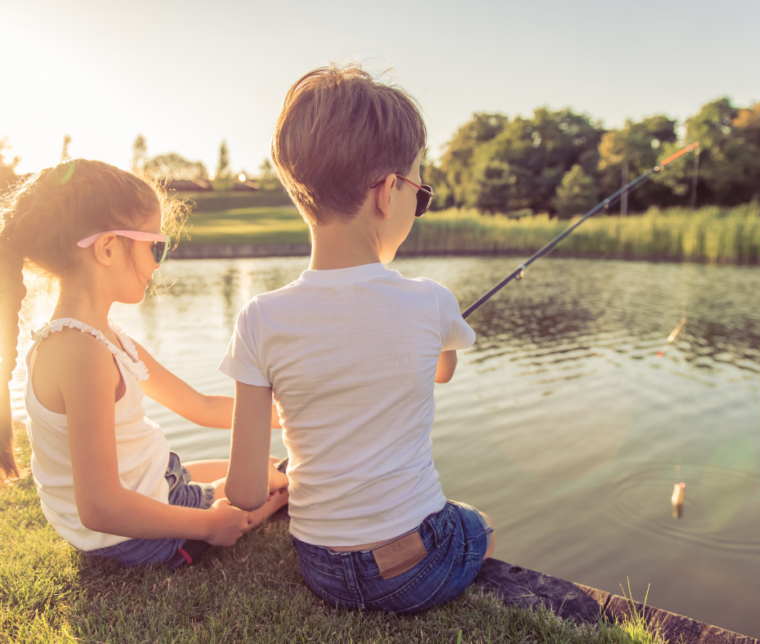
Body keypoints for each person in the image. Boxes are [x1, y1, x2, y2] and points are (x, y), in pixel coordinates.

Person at [220, 64, 495, 614]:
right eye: (421, 194)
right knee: (477, 524)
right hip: (414, 569)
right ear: (388, 191)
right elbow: (441, 372)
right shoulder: (431, 300)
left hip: (321, 565)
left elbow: (246, 494)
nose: (417, 207)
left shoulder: (259, 317)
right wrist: (437, 330)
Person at [0, 159, 288, 567]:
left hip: (155, 484)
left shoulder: (102, 338)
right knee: (278, 484)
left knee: (268, 467)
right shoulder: (82, 355)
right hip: (129, 536)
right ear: (107, 248)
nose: (158, 262)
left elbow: (200, 407)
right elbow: (101, 508)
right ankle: (262, 500)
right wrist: (208, 526)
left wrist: (288, 416)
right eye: (156, 246)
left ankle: (234, 487)